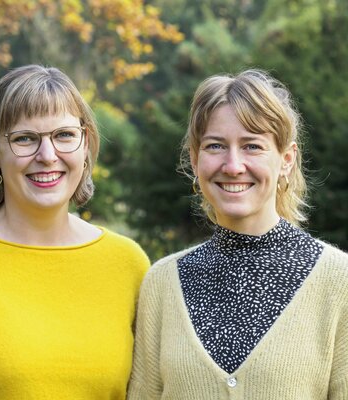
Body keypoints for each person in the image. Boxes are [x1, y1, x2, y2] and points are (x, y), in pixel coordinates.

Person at [127, 69, 348, 399]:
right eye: (215, 146)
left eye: (252, 146)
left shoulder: (339, 280)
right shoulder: (161, 284)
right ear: (194, 157)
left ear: (286, 159)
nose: (232, 165)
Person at [0, 65, 149, 399]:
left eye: (64, 135)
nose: (47, 155)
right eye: (25, 138)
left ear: (86, 145)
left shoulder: (128, 264)